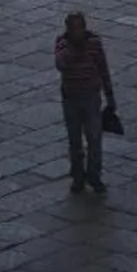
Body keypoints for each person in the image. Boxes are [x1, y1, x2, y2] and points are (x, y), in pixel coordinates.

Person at [54, 11, 115, 195]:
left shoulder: (94, 44)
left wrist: (110, 96)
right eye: (74, 28)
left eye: (81, 27)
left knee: (94, 138)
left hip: (90, 97)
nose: (78, 32)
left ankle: (94, 175)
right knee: (75, 141)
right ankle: (78, 176)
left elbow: (103, 68)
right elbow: (60, 64)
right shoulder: (62, 44)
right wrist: (71, 52)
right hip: (70, 98)